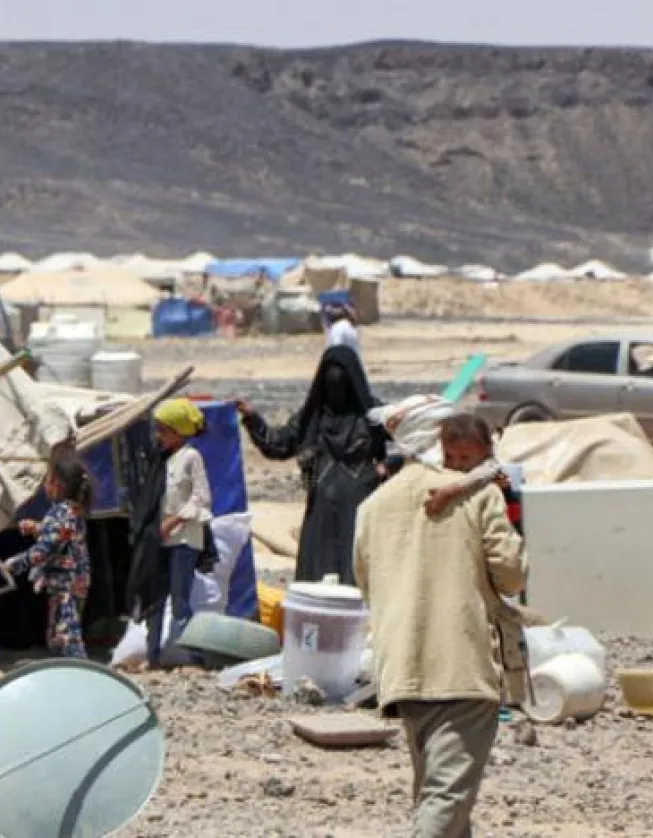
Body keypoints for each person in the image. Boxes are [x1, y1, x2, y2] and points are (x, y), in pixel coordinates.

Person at [354, 410, 527, 838]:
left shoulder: (373, 505)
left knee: (438, 791)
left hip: (402, 665)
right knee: (446, 796)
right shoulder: (479, 497)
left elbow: (366, 583)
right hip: (462, 665)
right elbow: (512, 575)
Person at [237, 345, 387, 585]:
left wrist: (385, 466)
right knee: (318, 577)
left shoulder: (374, 415)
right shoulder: (311, 418)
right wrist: (253, 419)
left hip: (360, 505)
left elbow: (406, 444)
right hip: (321, 508)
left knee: (357, 573)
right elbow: (278, 445)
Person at [145, 398, 213, 667]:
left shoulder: (191, 457)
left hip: (183, 539)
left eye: (163, 430)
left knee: (180, 600)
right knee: (155, 600)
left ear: (178, 430)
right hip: (160, 539)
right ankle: (153, 657)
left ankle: (189, 659)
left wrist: (172, 522)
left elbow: (201, 497)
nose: (158, 436)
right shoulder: (162, 459)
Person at [11, 454, 94, 659]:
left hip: (66, 583)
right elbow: (61, 536)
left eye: (46, 480)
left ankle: (79, 673)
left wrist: (17, 563)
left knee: (67, 635)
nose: (44, 486)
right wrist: (38, 528)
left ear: (57, 484)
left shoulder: (60, 512)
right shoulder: (72, 510)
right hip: (73, 581)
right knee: (60, 631)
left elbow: (46, 548)